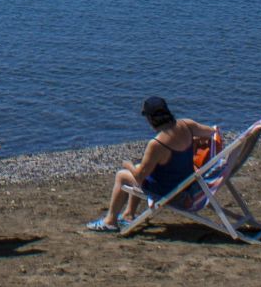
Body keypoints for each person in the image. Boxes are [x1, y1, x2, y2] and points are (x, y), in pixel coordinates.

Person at [88, 97, 218, 231]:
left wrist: (128, 165)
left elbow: (139, 178)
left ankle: (110, 221)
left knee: (122, 175)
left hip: (168, 191)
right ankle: (128, 214)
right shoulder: (187, 125)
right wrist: (195, 140)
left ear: (150, 119)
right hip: (185, 184)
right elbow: (212, 132)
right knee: (141, 168)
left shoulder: (157, 144)